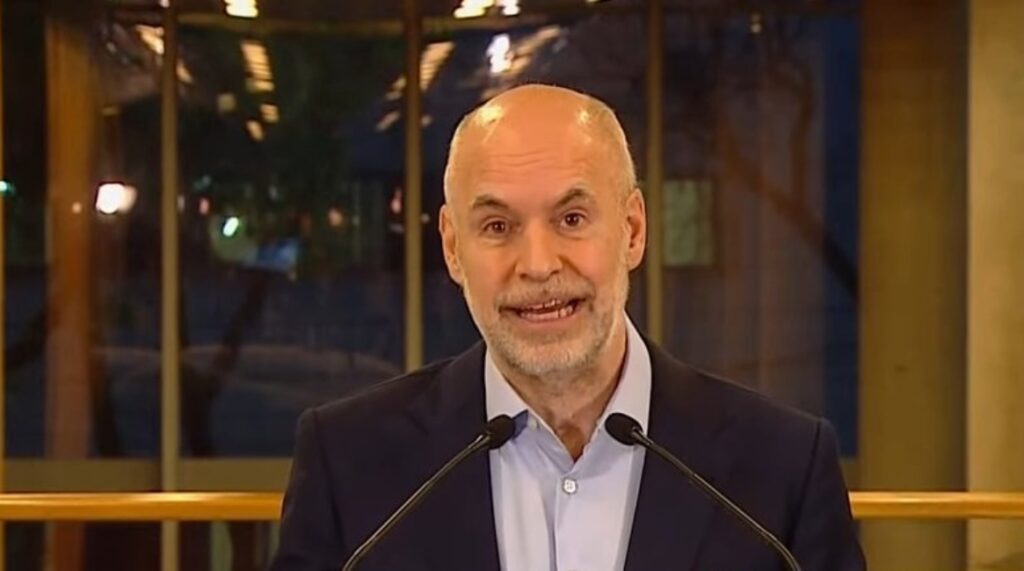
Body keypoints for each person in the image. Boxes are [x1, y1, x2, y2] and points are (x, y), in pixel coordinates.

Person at [270, 84, 865, 571]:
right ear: (452, 248)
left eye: (572, 218)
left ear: (632, 230)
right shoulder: (348, 461)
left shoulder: (783, 467)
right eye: (497, 227)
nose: (537, 265)